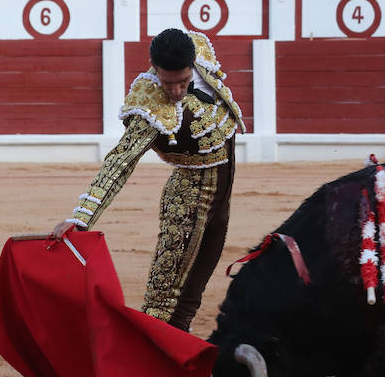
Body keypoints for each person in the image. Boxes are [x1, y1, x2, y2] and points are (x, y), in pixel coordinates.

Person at [49, 30, 244, 334]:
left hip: (221, 203)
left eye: (182, 81)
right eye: (169, 83)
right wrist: (81, 217)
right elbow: (120, 162)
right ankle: (149, 368)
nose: (177, 91)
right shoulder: (148, 105)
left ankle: (176, 365)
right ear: (154, 67)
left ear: (192, 63)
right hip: (186, 204)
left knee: (191, 295)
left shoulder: (199, 50)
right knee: (164, 302)